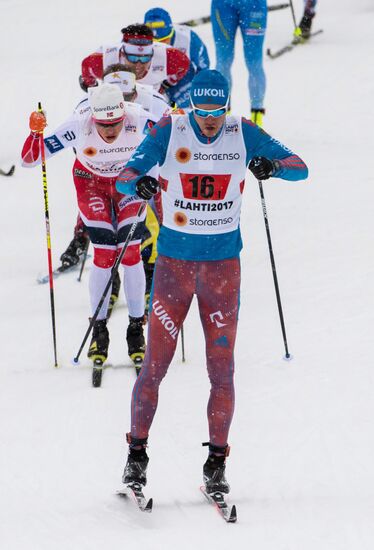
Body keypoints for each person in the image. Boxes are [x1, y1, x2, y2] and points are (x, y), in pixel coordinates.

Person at [115, 69, 308, 494]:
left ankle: (216, 463)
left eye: (215, 112)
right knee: (154, 367)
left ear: (227, 107)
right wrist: (141, 182)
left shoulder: (243, 131)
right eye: (201, 111)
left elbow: (300, 168)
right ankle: (136, 457)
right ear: (192, 107)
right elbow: (125, 176)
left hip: (222, 270)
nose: (208, 121)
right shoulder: (172, 127)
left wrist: (271, 166)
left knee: (222, 371)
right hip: (173, 269)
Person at [21, 83, 158, 367]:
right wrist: (35, 133)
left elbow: (173, 141)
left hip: (127, 181)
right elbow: (30, 159)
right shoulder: (78, 124)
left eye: (115, 123)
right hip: (90, 183)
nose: (110, 131)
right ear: (93, 117)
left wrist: (152, 177)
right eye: (103, 124)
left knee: (131, 252)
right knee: (106, 254)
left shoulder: (140, 118)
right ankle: (100, 329)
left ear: (124, 114)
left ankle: (136, 329)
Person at [80, 24, 190, 99]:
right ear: (123, 54)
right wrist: (93, 88)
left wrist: (167, 84)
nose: (138, 64)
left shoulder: (170, 57)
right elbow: (86, 68)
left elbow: (184, 65)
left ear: (152, 54)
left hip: (152, 100)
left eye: (145, 58)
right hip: (115, 105)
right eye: (133, 58)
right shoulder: (103, 60)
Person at [211, 0, 267, 126]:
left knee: (254, 62)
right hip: (223, 5)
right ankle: (222, 113)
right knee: (223, 62)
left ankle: (256, 115)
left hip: (254, 5)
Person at [144, 7, 210, 109]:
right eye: (154, 42)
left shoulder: (188, 39)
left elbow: (204, 70)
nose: (160, 45)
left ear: (172, 33)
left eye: (164, 40)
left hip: (182, 80)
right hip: (152, 81)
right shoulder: (136, 41)